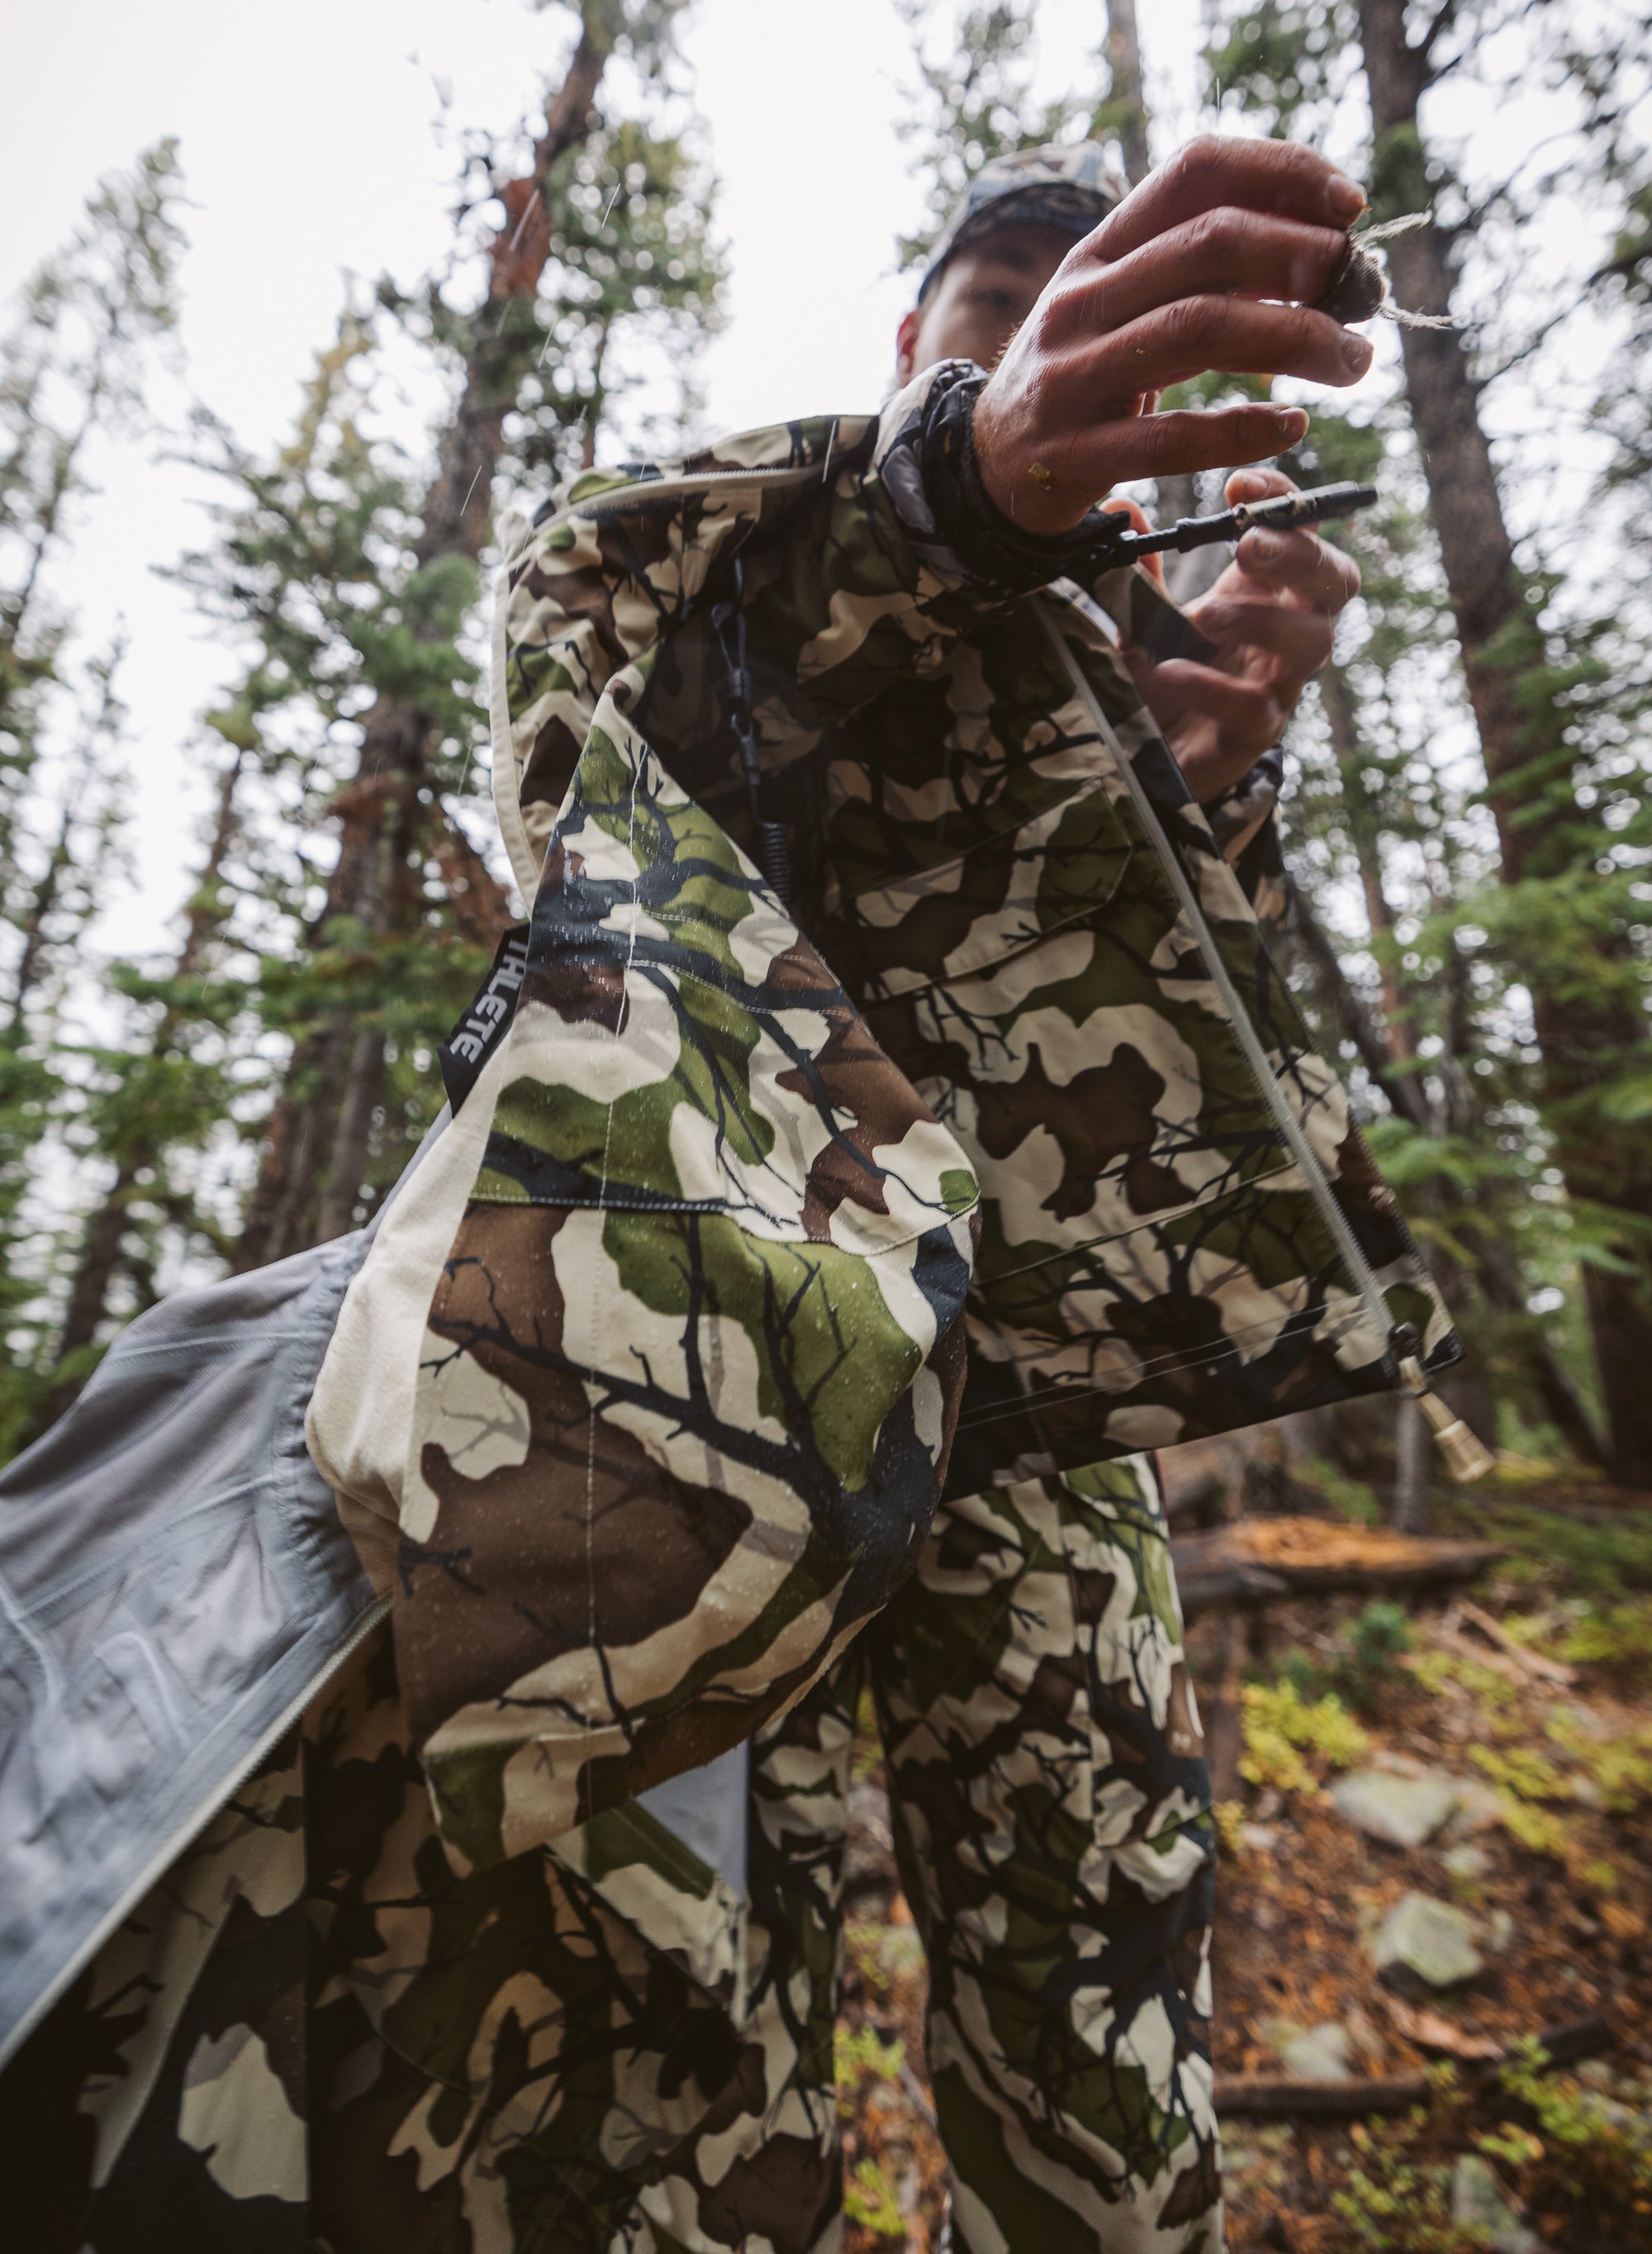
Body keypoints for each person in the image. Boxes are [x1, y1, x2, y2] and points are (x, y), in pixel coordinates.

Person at [2, 133, 1456, 2253]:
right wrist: (958, 482)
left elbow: (1134, 1127)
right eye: (1004, 315)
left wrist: (1202, 797)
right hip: (687, 1362)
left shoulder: (1108, 683)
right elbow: (576, 669)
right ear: (919, 336)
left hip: (1036, 1441)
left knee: (1109, 2043)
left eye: (1112, 365)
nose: (1062, 368)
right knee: (646, 2036)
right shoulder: (759, 550)